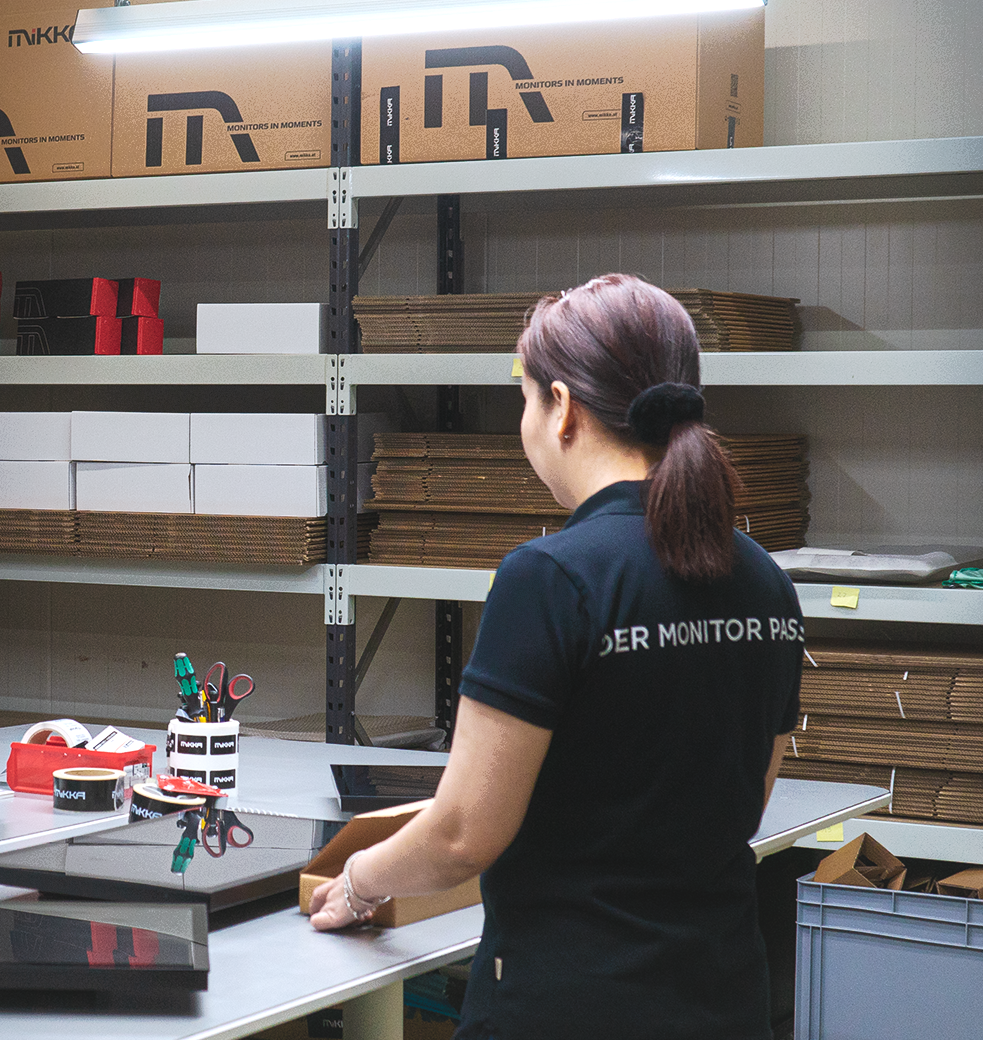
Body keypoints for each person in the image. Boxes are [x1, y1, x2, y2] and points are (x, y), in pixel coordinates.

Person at [309, 274, 803, 1040]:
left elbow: (462, 834)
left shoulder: (550, 578)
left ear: (564, 408)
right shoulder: (765, 581)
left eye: (525, 398)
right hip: (722, 997)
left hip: (570, 1006)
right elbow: (746, 801)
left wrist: (359, 882)